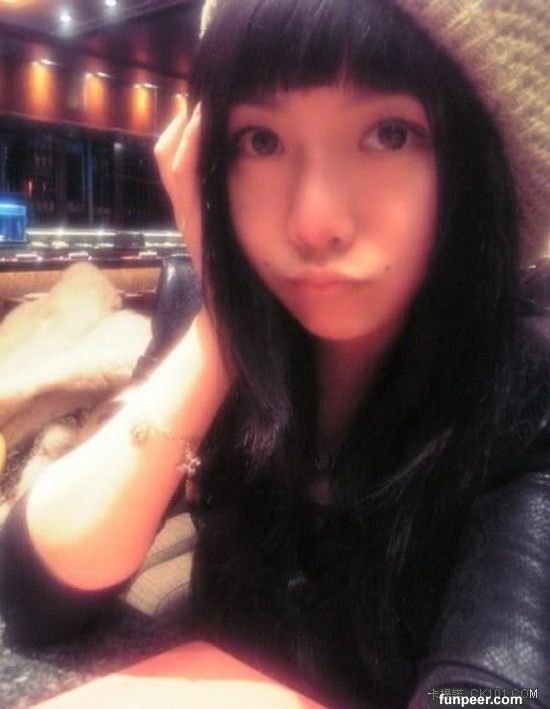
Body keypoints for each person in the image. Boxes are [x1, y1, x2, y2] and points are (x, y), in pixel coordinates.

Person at [1, 0, 550, 706]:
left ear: (474, 168)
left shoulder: (527, 392)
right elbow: (35, 591)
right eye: (260, 140)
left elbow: (498, 690)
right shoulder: (224, 324)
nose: (312, 221)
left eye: (389, 134)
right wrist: (220, 332)